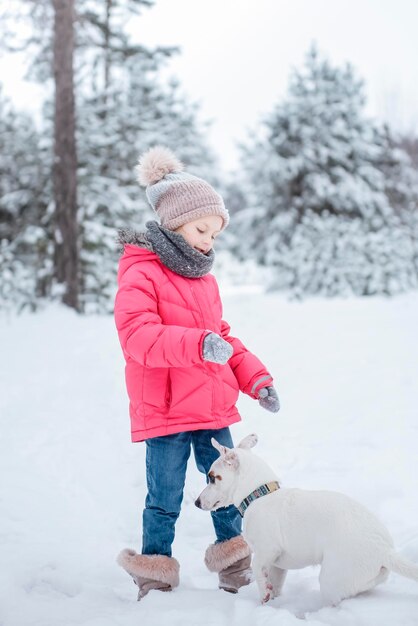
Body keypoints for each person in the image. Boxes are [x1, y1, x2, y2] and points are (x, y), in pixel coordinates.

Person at [114, 146, 280, 600]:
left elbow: (221, 335)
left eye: (215, 232)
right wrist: (196, 343)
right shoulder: (141, 273)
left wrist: (255, 379)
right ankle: (154, 571)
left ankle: (236, 561)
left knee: (229, 489)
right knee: (164, 498)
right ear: (174, 223)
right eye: (201, 228)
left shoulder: (203, 278)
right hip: (165, 410)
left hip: (210, 407)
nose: (209, 240)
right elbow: (137, 335)